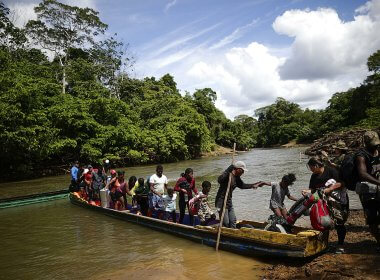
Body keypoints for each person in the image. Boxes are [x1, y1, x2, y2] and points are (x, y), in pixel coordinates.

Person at [304, 157, 349, 253]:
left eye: (310, 167)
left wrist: (330, 188)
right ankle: (325, 244)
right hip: (323, 203)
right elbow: (313, 189)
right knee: (324, 222)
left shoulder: (331, 171)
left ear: (316, 166)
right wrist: (307, 192)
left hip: (338, 201)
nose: (310, 169)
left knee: (339, 223)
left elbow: (343, 183)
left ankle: (340, 245)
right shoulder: (314, 176)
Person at [216, 161, 263, 228]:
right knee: (226, 223)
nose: (243, 173)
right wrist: (228, 170)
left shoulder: (236, 177)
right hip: (221, 202)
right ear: (237, 169)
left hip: (229, 201)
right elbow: (219, 180)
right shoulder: (228, 175)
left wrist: (254, 185)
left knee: (233, 221)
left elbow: (242, 186)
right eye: (242, 171)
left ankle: (233, 235)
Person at [355, 131, 380, 252]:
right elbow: (362, 173)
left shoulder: (378, 151)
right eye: (373, 144)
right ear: (366, 143)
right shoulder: (361, 155)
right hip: (368, 191)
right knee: (372, 218)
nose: (375, 146)